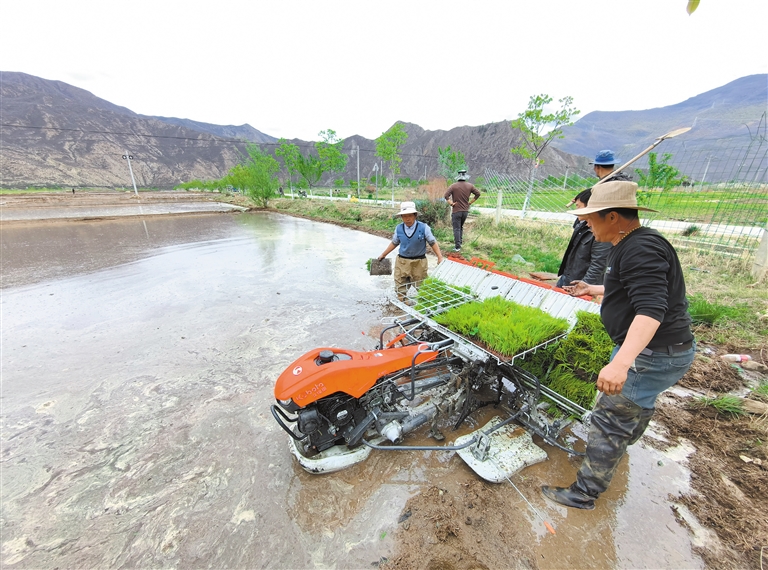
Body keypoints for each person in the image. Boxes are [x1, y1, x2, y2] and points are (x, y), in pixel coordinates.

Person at [542, 180, 695, 510]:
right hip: (662, 351)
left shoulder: (640, 248)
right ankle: (619, 448)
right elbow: (630, 288)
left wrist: (621, 363)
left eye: (591, 217)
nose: (586, 222)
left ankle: (584, 492)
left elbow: (651, 309)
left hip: (649, 354)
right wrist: (593, 289)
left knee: (610, 419)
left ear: (612, 217)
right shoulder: (630, 243)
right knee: (638, 405)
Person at [377, 201, 444, 303]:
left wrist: (439, 257)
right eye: (404, 216)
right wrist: (383, 254)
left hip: (419, 263)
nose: (407, 219)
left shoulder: (424, 228)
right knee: (400, 285)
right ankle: (403, 305)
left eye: (409, 216)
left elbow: (432, 242)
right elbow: (394, 243)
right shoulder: (399, 228)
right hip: (402, 262)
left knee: (422, 286)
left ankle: (423, 306)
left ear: (415, 215)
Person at [556, 188, 611, 289]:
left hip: (582, 284)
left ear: (590, 207)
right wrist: (579, 200)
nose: (576, 211)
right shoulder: (582, 225)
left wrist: (583, 287)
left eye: (578, 206)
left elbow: (598, 265)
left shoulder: (601, 232)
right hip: (567, 277)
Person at [443, 170, 481, 252]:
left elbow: (446, 195)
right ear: (465, 177)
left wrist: (451, 203)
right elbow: (478, 194)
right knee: (460, 227)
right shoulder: (470, 186)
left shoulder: (453, 186)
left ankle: (457, 247)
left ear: (458, 177)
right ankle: (460, 243)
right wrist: (470, 202)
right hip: (465, 211)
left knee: (456, 228)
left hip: (456, 210)